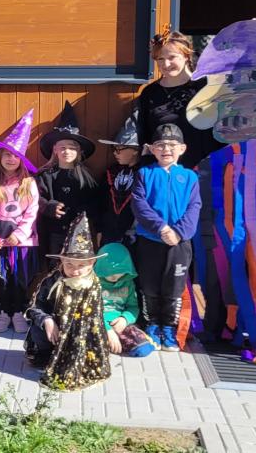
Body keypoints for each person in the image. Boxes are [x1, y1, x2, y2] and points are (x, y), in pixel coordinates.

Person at [130, 124, 201, 352]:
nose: (166, 149)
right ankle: (152, 325)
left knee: (174, 287)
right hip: (150, 240)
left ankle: (169, 328)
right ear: (152, 149)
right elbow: (139, 205)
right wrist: (161, 228)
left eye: (171, 145)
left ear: (182, 148)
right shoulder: (145, 174)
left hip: (179, 243)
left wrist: (178, 232)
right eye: (160, 145)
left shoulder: (189, 177)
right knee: (149, 285)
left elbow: (194, 207)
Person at [24, 212, 111, 391]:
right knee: (38, 329)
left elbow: (96, 318)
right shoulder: (52, 280)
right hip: (54, 332)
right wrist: (47, 320)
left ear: (92, 263)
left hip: (82, 338)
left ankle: (77, 358)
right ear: (62, 261)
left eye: (81, 265)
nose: (75, 270)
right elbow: (33, 307)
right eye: (69, 264)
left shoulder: (94, 285)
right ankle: (47, 355)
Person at [0, 109, 39, 334]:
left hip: (23, 243)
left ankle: (19, 312)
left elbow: (32, 213)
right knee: (4, 279)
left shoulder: (28, 184)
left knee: (21, 279)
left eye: (15, 156)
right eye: (6, 154)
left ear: (21, 159)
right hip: (0, 242)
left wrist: (19, 235)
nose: (10, 159)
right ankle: (4, 312)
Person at [136, 27, 222, 169]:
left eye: (172, 57)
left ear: (186, 55)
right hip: (165, 173)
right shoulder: (149, 93)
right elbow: (145, 137)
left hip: (205, 171)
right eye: (160, 59)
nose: (166, 64)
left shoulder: (207, 87)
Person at [36, 102, 101, 266]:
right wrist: (48, 206)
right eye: (62, 147)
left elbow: (97, 202)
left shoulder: (87, 177)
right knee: (55, 268)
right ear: (55, 150)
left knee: (76, 268)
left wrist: (84, 212)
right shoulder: (45, 175)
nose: (67, 151)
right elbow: (35, 198)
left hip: (80, 233)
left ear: (79, 151)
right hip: (54, 233)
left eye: (72, 148)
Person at [96, 242, 155, 357]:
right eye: (111, 274)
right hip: (97, 322)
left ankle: (116, 342)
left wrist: (125, 319)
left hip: (119, 323)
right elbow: (89, 309)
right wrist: (107, 329)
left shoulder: (128, 283)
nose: (116, 278)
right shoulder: (94, 283)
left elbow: (133, 307)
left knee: (142, 348)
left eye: (120, 273)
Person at [98, 113, 141, 246]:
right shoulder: (111, 172)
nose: (115, 153)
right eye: (114, 149)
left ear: (135, 150)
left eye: (119, 149)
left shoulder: (145, 173)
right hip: (109, 235)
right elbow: (101, 202)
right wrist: (99, 229)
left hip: (134, 236)